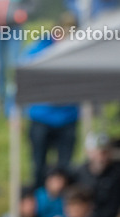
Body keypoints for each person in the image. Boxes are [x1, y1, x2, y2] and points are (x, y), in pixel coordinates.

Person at [21, 15, 79, 188]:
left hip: (68, 118)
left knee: (65, 167)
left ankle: (63, 207)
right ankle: (39, 201)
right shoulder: (38, 50)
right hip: (41, 117)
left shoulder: (78, 50)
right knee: (38, 166)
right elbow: (21, 78)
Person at [74, 132, 120, 217]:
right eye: (98, 151)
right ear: (88, 152)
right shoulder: (79, 173)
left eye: (105, 151)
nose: (102, 155)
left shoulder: (118, 174)